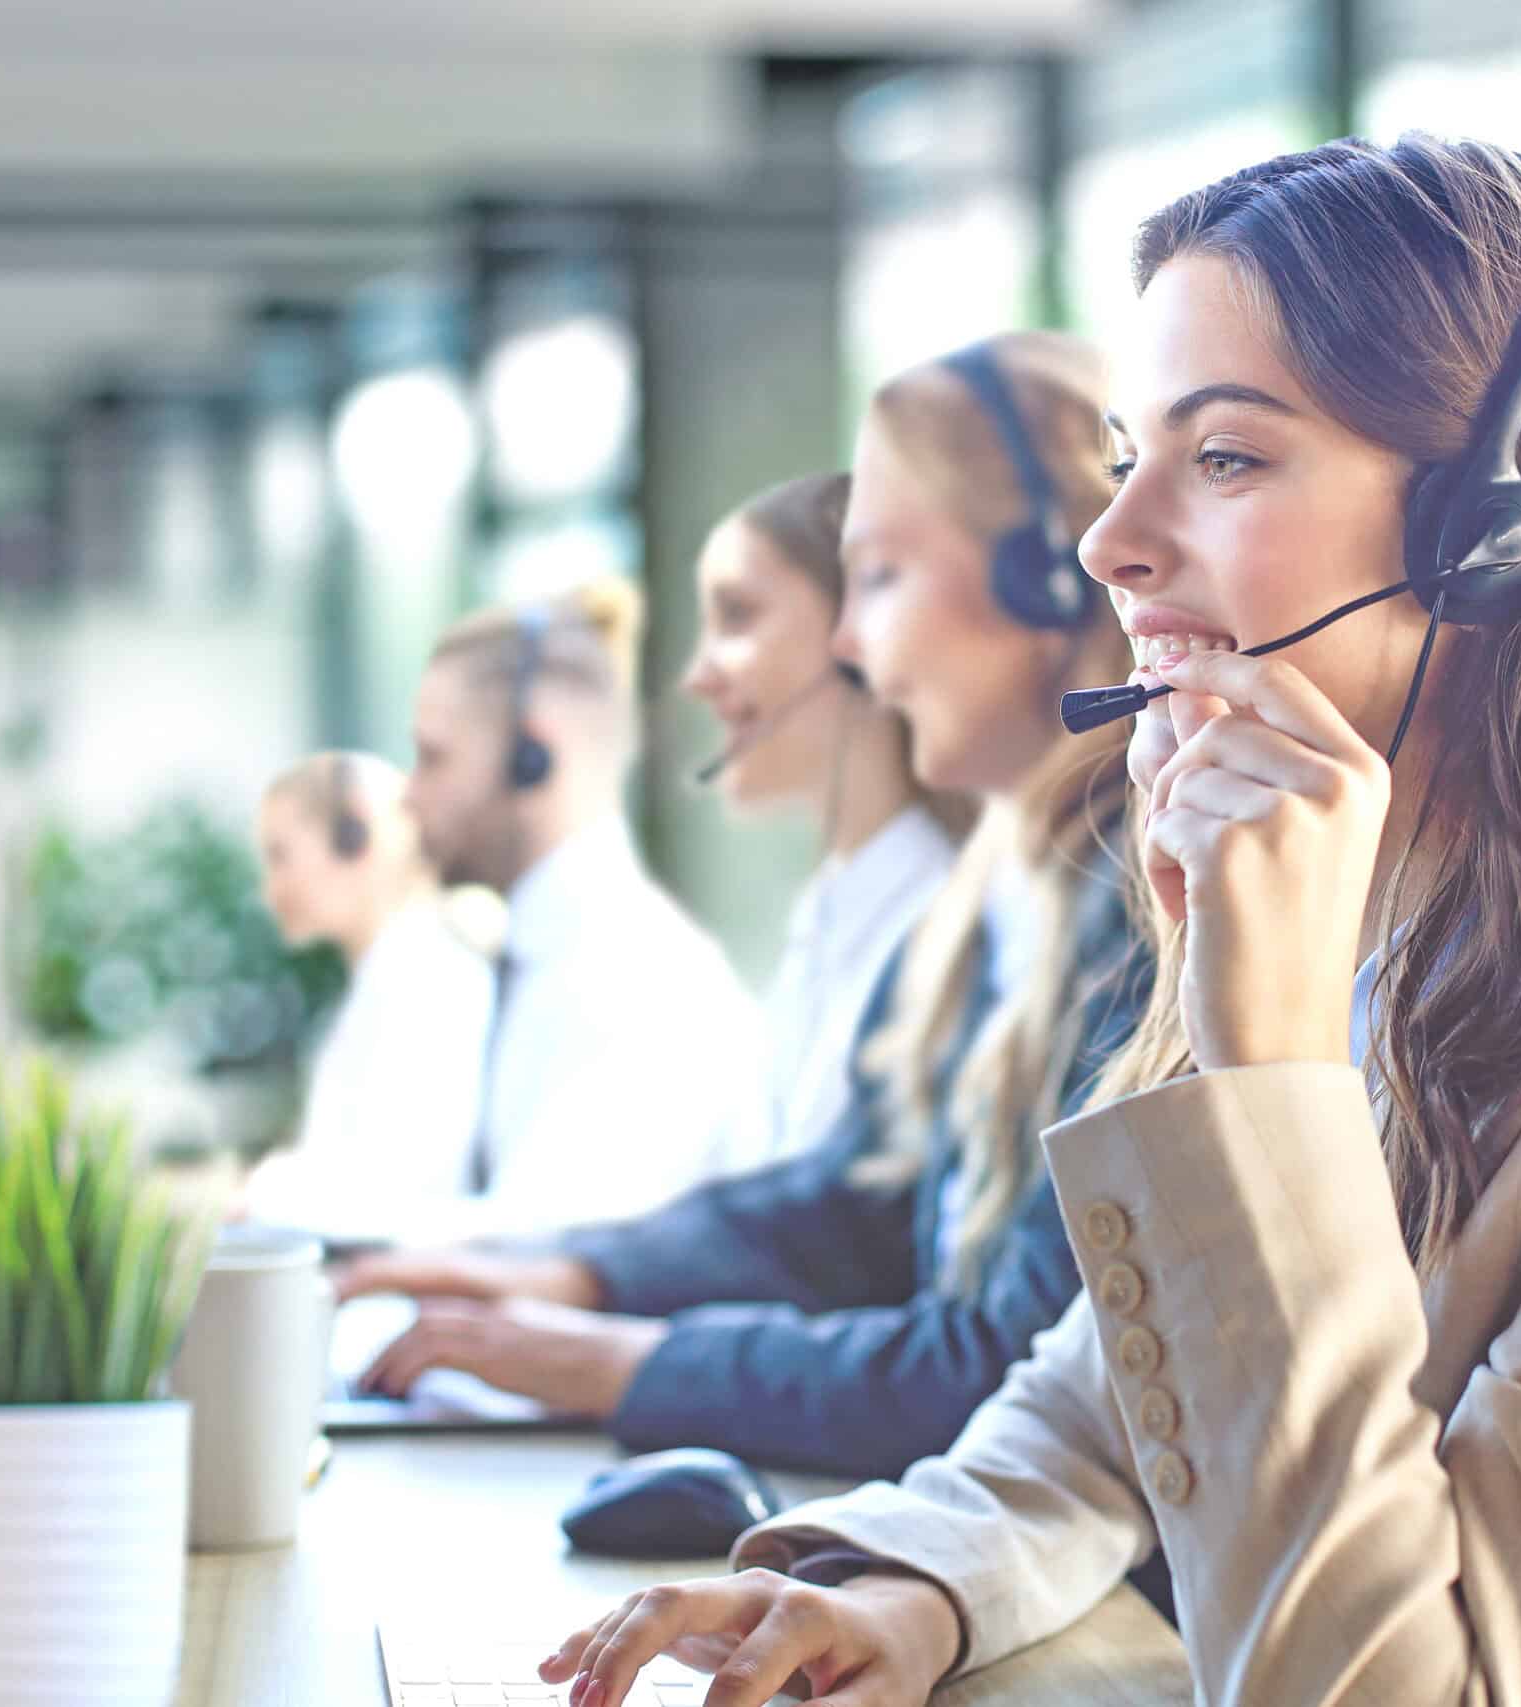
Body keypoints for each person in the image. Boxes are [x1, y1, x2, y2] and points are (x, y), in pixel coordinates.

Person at [539, 134, 1521, 1707]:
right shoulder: (1386, 924)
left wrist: (1268, 1075)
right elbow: (1110, 1387)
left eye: (1223, 457)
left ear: (1486, 537)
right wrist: (910, 1580)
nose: (1114, 544)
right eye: (1125, 458)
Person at [338, 332, 1160, 1512]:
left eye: (877, 576)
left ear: (1040, 578)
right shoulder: (1010, 897)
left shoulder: (1142, 909)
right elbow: (856, 1208)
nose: (843, 645)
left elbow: (1006, 1366)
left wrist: (620, 1364)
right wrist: (571, 1279)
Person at [400, 578, 763, 1234]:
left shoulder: (642, 983)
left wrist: (301, 1220)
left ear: (530, 758)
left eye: (433, 757)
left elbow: (536, 1249)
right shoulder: (540, 957)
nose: (409, 795)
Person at [681, 471, 968, 1166]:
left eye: (738, 616)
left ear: (860, 642)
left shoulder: (942, 929)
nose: (698, 676)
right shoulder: (829, 913)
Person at [237, 751, 493, 1231]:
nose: (271, 889)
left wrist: (255, 1199)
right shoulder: (386, 979)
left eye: (281, 856)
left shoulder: (431, 985)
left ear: (356, 837)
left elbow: (394, 1197)